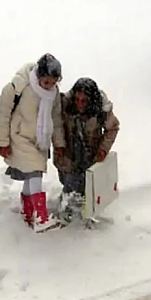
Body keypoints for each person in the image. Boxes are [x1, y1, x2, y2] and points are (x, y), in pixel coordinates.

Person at [0, 53, 65, 232]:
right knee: (35, 171)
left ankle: (28, 211)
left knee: (31, 172)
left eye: (53, 82)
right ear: (39, 76)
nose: (48, 86)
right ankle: (41, 217)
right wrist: (2, 142)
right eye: (45, 81)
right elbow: (2, 112)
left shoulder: (54, 95)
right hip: (19, 136)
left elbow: (55, 119)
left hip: (40, 139)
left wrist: (59, 143)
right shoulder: (20, 85)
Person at [55, 77, 120, 222]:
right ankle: (66, 211)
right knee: (69, 182)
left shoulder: (102, 110)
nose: (80, 104)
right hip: (69, 154)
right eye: (77, 100)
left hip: (90, 154)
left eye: (84, 101)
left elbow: (112, 128)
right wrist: (59, 144)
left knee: (88, 185)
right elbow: (56, 124)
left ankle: (83, 213)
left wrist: (103, 149)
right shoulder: (64, 104)